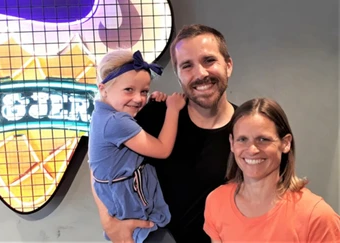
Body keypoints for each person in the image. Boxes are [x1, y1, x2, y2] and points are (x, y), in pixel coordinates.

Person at [91, 24, 237, 243]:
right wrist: (109, 222)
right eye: (187, 65)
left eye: (209, 60)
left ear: (228, 65)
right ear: (178, 74)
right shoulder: (154, 114)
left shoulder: (246, 128)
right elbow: (99, 165)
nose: (200, 73)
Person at [203, 98, 340, 242]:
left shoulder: (317, 215)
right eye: (242, 139)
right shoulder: (217, 201)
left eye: (263, 139)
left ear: (285, 143)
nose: (252, 149)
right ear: (232, 143)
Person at [88, 49, 186, 243]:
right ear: (103, 89)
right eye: (129, 90)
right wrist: (173, 109)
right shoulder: (116, 122)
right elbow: (163, 149)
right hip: (134, 209)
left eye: (144, 91)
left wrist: (150, 103)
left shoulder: (103, 115)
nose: (138, 98)